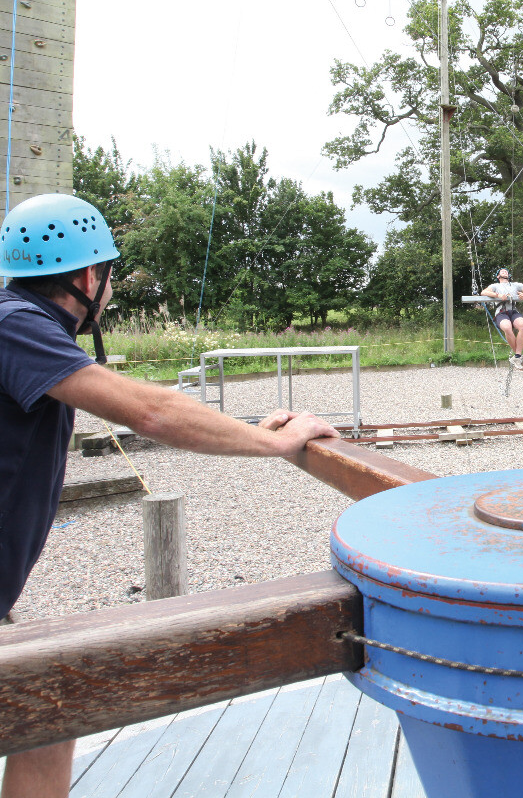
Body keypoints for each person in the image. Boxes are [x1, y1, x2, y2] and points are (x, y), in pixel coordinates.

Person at [0, 193, 339, 798]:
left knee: (52, 703)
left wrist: (247, 431)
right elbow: (152, 411)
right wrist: (276, 448)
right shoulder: (15, 327)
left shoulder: (21, 326)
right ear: (86, 277)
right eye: (109, 275)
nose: (111, 290)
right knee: (52, 699)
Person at [481, 267, 523, 369]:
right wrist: (498, 295)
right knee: (507, 327)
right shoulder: (495, 286)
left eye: (506, 271)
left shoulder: (516, 285)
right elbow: (484, 292)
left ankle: (517, 356)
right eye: (502, 271)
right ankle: (518, 356)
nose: (504, 271)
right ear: (498, 276)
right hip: (501, 312)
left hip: (513, 311)